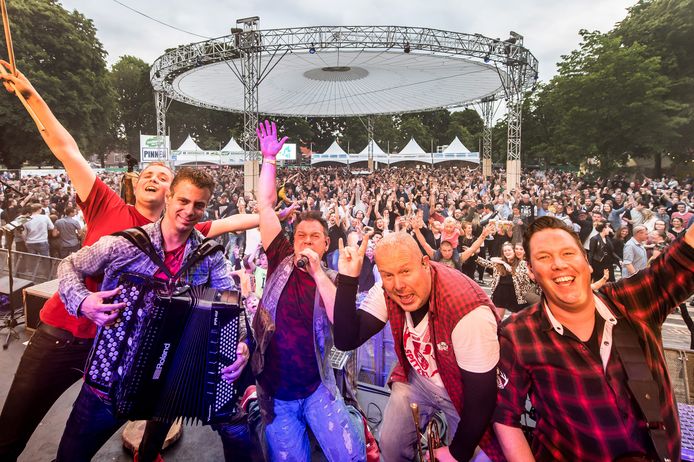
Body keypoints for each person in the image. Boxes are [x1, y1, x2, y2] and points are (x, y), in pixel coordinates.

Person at [0, 62, 264, 462]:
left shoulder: (193, 233)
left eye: (163, 173)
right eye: (149, 172)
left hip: (132, 354)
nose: (153, 176)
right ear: (144, 185)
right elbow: (65, 148)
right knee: (14, 429)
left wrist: (274, 212)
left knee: (171, 400)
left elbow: (229, 231)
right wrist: (32, 97)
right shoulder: (112, 213)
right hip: (67, 335)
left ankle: (149, 450)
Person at [54, 168, 250, 462]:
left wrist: (241, 342)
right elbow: (69, 265)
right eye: (183, 200)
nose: (190, 210)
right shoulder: (126, 244)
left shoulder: (209, 256)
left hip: (171, 379)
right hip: (111, 379)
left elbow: (233, 305)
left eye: (199, 205)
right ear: (169, 197)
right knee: (72, 456)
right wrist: (83, 302)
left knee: (238, 430)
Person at [493, 216, 694, 461]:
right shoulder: (517, 334)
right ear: (532, 272)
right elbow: (505, 417)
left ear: (586, 262)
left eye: (568, 253)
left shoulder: (634, 300)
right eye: (544, 257)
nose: (558, 264)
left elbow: (685, 255)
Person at [252, 121, 365, 461]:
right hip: (278, 394)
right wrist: (269, 160)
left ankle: (356, 420)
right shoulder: (280, 258)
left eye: (315, 237)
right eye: (301, 235)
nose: (306, 241)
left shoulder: (332, 277)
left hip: (318, 390)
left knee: (349, 456)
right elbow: (265, 207)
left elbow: (340, 324)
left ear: (326, 243)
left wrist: (317, 271)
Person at [334, 232, 501, 462]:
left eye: (405, 271)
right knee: (390, 446)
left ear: (424, 263)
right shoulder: (387, 289)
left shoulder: (469, 312)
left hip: (463, 392)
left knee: (476, 456)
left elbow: (482, 397)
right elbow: (346, 340)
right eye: (388, 275)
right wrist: (348, 279)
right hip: (418, 379)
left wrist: (457, 453)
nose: (399, 285)